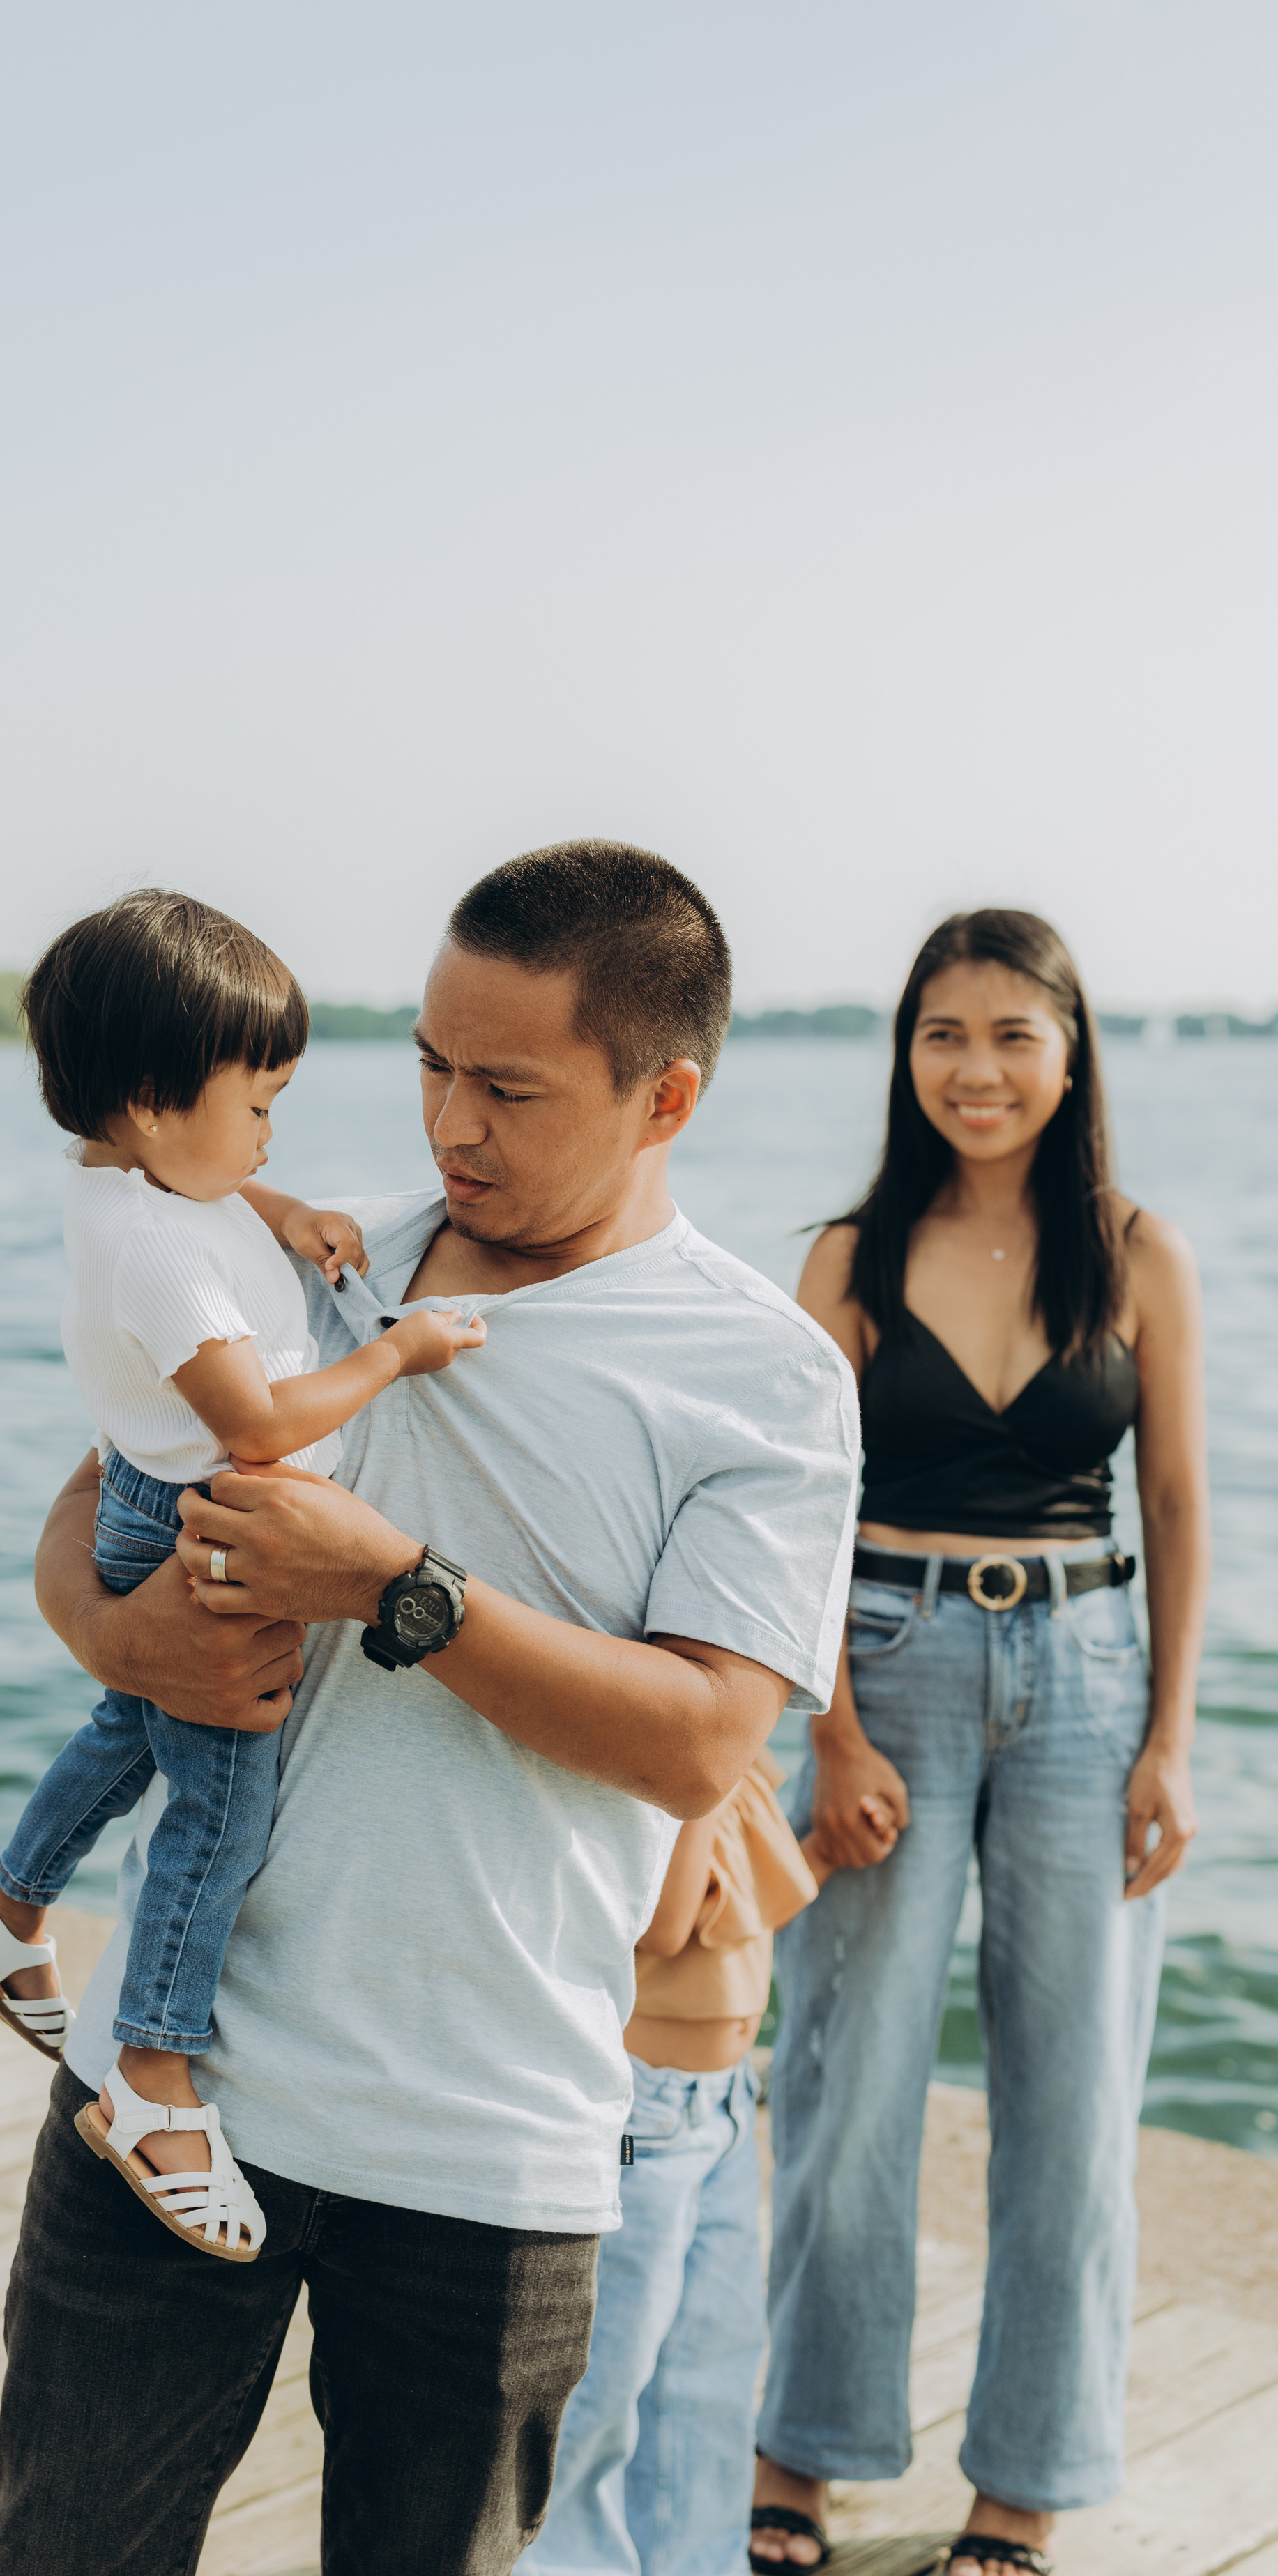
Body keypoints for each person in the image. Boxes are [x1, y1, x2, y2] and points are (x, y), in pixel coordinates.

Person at [0, 841, 862, 2576]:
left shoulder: (763, 1373)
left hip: (487, 2136)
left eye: (507, 1085)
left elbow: (701, 1738)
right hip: (166, 2092)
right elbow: (96, 1501)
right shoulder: (299, 1256)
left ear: (663, 1092)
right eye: (428, 1065)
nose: (447, 1122)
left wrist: (394, 1583)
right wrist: (115, 1632)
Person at [0, 890, 483, 2260]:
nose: (269, 1136)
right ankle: (154, 2079)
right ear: (154, 1102)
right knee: (216, 1807)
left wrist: (284, 1209)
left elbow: (210, 1189)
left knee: (128, 1722)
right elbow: (258, 1424)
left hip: (141, 1494)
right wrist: (395, 1354)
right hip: (205, 1515)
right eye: (257, 1109)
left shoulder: (124, 1177)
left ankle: (5, 1917)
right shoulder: (162, 1258)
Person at [754, 910, 1208, 2576]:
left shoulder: (1139, 1252)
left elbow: (1170, 1501)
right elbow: (789, 1521)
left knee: (1072, 2094)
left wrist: (1168, 1737)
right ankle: (798, 2448)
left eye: (1010, 1034)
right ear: (903, 1052)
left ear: (1069, 1049)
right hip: (888, 1652)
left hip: (1088, 1676)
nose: (974, 1069)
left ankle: (1019, 2486)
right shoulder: (846, 1256)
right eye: (940, 1033)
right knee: (844, 2075)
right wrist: (830, 1734)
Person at [526, 1760, 897, 2576]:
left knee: (708, 2382)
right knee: (601, 2398)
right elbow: (663, 1926)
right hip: (641, 2118)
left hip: (718, 2110)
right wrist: (710, 1764)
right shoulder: (683, 1761)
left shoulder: (739, 1762)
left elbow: (741, 1907)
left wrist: (829, 1849)